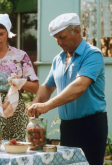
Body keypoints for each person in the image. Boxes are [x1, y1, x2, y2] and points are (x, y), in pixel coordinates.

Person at [26, 13, 107, 165]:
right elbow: (47, 87)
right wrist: (35, 104)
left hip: (91, 125)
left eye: (62, 37)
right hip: (68, 126)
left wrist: (47, 105)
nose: (58, 42)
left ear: (77, 31)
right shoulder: (59, 59)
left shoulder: (92, 54)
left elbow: (79, 86)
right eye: (56, 38)